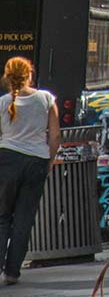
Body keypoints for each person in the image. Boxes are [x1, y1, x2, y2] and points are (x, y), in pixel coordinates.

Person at [0, 58, 59, 287]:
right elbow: (54, 136)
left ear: (7, 77)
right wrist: (50, 159)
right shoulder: (45, 99)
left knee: (2, 216)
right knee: (24, 218)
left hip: (6, 160)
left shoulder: (3, 103)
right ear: (30, 75)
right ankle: (13, 272)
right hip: (37, 160)